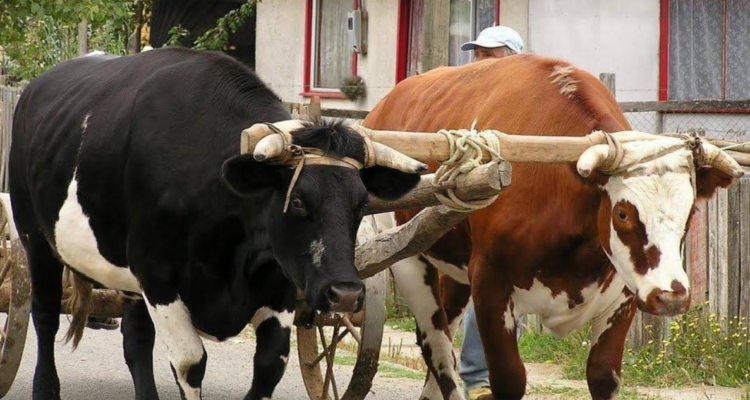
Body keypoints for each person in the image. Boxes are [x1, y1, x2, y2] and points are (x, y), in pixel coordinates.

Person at [458, 25, 524, 400]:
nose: (479, 61)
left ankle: (482, 377)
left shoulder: (526, 98)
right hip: (467, 201)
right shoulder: (466, 94)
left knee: (503, 291)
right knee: (492, 289)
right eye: (477, 53)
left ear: (513, 59)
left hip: (511, 207)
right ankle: (477, 379)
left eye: (490, 54)